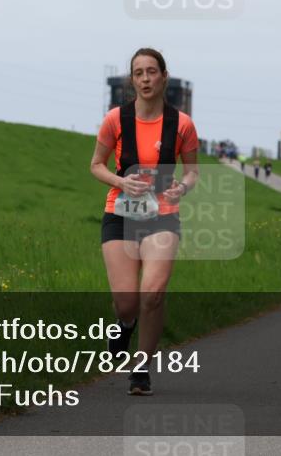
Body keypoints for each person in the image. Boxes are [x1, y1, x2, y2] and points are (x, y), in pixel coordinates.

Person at [90, 48, 199, 395]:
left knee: (152, 294)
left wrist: (183, 187)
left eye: (152, 71)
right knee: (127, 302)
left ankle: (141, 369)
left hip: (163, 215)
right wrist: (120, 181)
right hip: (120, 212)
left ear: (164, 76)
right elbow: (96, 165)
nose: (146, 79)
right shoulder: (115, 119)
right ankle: (124, 324)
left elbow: (193, 171)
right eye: (139, 73)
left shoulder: (182, 124)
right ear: (132, 80)